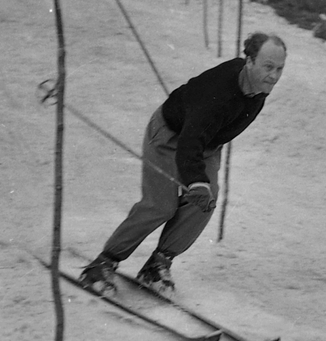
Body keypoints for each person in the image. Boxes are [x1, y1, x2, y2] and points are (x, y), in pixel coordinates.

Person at [80, 33, 288, 297]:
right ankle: (103, 263)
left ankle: (158, 265)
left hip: (205, 143)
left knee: (205, 203)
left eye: (279, 69)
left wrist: (202, 184)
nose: (273, 76)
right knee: (161, 206)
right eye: (268, 67)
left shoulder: (258, 88)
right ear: (249, 61)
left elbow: (208, 137)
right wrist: (196, 181)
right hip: (171, 135)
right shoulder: (220, 92)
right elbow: (190, 139)